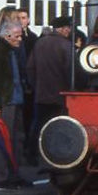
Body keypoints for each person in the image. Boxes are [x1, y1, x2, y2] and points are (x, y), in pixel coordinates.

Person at [0, 21, 32, 188]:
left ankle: (13, 173)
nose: (20, 39)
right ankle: (1, 176)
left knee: (17, 138)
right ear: (7, 36)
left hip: (15, 99)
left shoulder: (11, 52)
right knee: (4, 138)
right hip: (6, 102)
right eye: (17, 36)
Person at [26, 15, 74, 166]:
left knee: (39, 124)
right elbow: (71, 71)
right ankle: (54, 156)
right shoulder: (66, 46)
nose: (69, 30)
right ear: (62, 28)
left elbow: (30, 68)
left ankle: (32, 154)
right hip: (61, 95)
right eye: (67, 27)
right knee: (59, 126)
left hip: (41, 93)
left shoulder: (40, 43)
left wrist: (36, 85)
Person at [14, 5, 39, 164]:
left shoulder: (33, 38)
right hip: (21, 81)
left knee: (29, 116)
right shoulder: (13, 37)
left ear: (28, 20)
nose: (22, 21)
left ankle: (27, 150)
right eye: (19, 18)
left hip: (29, 81)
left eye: (24, 18)